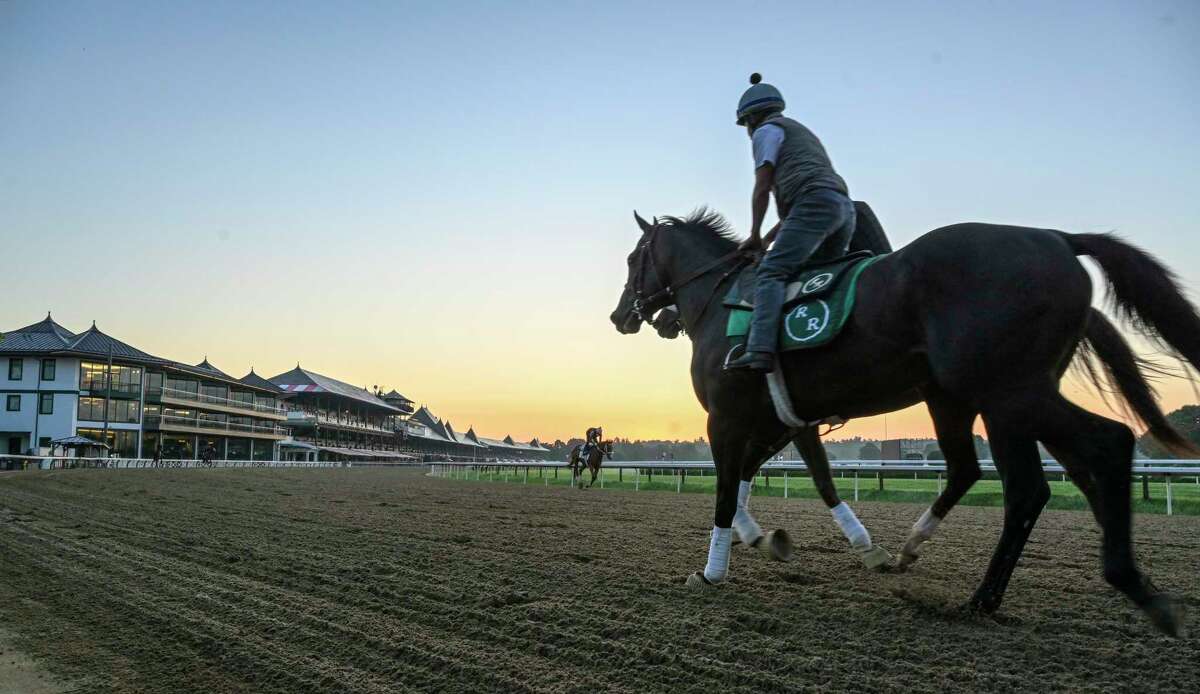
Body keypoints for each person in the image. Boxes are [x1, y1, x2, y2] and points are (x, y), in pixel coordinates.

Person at [725, 73, 857, 373]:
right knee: (819, 276)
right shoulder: (801, 132)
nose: (747, 131)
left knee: (772, 272)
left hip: (814, 205)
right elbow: (793, 218)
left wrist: (755, 234)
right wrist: (769, 239)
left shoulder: (765, 132)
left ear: (751, 119)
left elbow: (761, 188)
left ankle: (759, 350)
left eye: (745, 124)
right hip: (842, 209)